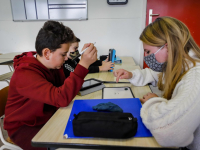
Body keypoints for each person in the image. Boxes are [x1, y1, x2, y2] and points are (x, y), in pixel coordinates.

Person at [4, 21, 97, 150]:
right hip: (24, 127)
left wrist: (81, 60)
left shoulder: (52, 65)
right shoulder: (24, 73)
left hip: (48, 116)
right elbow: (61, 98)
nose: (66, 58)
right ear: (47, 53)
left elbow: (63, 90)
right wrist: (83, 65)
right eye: (63, 54)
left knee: (88, 128)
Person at [113, 16, 200, 150]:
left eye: (148, 51)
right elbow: (153, 74)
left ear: (168, 47)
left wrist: (153, 101)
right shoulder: (177, 66)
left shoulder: (195, 78)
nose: (147, 57)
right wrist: (131, 74)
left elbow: (169, 133)